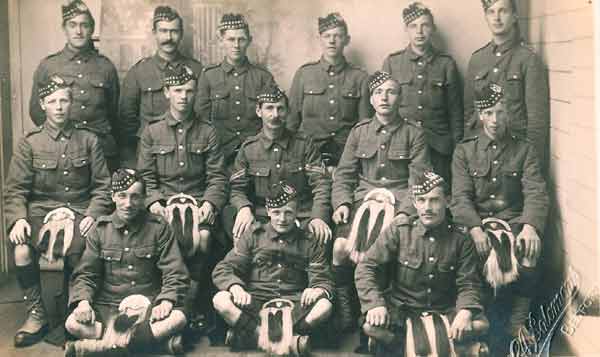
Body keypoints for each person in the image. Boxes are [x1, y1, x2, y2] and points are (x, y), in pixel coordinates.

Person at [4, 75, 111, 347]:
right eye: (53, 101)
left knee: (86, 245)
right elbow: (15, 189)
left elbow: (103, 186)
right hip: (40, 212)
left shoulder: (88, 140)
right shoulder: (29, 143)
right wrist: (17, 220)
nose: (60, 106)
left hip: (78, 210)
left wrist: (92, 214)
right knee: (21, 249)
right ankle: (36, 314)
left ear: (71, 103)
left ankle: (77, 312)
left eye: (64, 100)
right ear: (42, 105)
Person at [451, 82, 549, 355]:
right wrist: (474, 228)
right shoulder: (465, 150)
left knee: (529, 251)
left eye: (501, 112)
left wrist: (530, 226)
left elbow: (535, 191)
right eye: (489, 113)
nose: (495, 120)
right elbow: (459, 197)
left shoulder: (524, 149)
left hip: (513, 220)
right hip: (477, 221)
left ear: (509, 114)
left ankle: (516, 322)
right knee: (466, 255)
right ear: (480, 115)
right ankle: (475, 316)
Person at [331, 71, 429, 333]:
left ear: (400, 98)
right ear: (371, 100)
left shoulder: (413, 134)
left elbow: (418, 182)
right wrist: (341, 203)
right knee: (340, 247)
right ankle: (347, 312)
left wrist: (406, 212)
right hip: (363, 201)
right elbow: (344, 175)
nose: (384, 97)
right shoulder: (360, 132)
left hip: (399, 203)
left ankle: (382, 311)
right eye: (378, 92)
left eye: (391, 92)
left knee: (397, 247)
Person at [355, 169, 488, 356]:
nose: (427, 207)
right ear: (415, 203)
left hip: (443, 308)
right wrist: (375, 304)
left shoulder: (461, 238)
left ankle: (398, 347)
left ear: (447, 201)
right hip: (403, 310)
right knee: (370, 325)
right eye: (421, 200)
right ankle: (457, 348)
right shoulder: (400, 230)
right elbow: (366, 266)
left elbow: (469, 282)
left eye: (434, 200)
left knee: (480, 324)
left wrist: (465, 311)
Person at [137, 65, 226, 332]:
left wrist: (209, 203)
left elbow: (218, 176)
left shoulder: (207, 131)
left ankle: (192, 304)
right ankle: (166, 301)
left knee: (204, 237)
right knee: (161, 235)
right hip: (162, 204)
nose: (184, 97)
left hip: (198, 200)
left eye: (189, 91)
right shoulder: (152, 132)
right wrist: (153, 202)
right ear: (166, 92)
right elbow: (145, 176)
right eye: (178, 91)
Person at [65, 169, 190, 355]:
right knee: (72, 324)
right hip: (109, 305)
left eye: (135, 197)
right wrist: (83, 302)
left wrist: (166, 301)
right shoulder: (100, 229)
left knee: (178, 318)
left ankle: (99, 347)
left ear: (144, 198)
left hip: (150, 304)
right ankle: (153, 344)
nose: (128, 204)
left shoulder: (159, 227)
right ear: (113, 196)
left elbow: (174, 271)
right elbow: (86, 273)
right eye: (122, 196)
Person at [212, 182, 333, 354]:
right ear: (268, 211)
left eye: (288, 213)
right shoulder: (253, 236)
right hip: (257, 304)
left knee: (324, 305)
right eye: (276, 212)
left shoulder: (309, 241)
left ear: (297, 211)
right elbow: (224, 269)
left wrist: (317, 289)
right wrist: (235, 287)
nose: (282, 219)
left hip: (294, 305)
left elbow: (322, 278)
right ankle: (287, 341)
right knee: (221, 299)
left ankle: (252, 338)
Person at [227, 86, 332, 246]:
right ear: (258, 111)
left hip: (301, 216)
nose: (275, 115)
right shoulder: (249, 149)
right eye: (269, 108)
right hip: (263, 217)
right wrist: (243, 208)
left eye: (280, 109)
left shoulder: (304, 144)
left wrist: (318, 216)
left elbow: (321, 184)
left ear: (287, 111)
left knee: (318, 240)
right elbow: (237, 189)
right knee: (243, 240)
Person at [29, 0, 120, 171]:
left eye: (84, 25)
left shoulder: (106, 67)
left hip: (101, 149)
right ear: (64, 29)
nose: (78, 31)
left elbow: (115, 113)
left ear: (91, 29)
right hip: (64, 150)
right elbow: (36, 111)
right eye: (73, 25)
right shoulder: (48, 66)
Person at [381, 2, 463, 182]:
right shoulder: (392, 63)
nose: (419, 31)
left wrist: (457, 153)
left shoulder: (446, 64)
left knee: (438, 200)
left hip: (438, 148)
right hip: (401, 147)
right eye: (413, 26)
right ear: (406, 29)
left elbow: (456, 113)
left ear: (432, 29)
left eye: (425, 25)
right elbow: (382, 110)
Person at [464, 0, 549, 171]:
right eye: (491, 12)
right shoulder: (477, 60)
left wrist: (530, 165)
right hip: (481, 156)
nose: (496, 18)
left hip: (515, 154)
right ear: (486, 17)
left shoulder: (527, 59)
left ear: (515, 16)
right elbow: (469, 114)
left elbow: (537, 122)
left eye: (503, 11)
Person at [119, 5, 203, 167]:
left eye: (174, 31)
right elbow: (126, 121)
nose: (169, 37)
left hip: (189, 151)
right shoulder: (139, 71)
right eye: (163, 31)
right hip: (149, 152)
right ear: (154, 33)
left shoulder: (197, 70)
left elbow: (202, 114)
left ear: (181, 34)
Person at [288, 12, 371, 171]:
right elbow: (291, 122)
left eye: (338, 36)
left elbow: (364, 126)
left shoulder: (359, 77)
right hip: (309, 153)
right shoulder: (304, 74)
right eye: (327, 36)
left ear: (347, 40)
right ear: (319, 39)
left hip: (347, 154)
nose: (332, 41)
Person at [194, 13, 276, 170]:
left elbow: (273, 118)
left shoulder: (263, 77)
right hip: (219, 155)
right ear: (221, 42)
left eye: (241, 39)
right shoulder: (209, 76)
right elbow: (201, 120)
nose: (236, 45)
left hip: (257, 155)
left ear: (249, 41)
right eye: (231, 39)